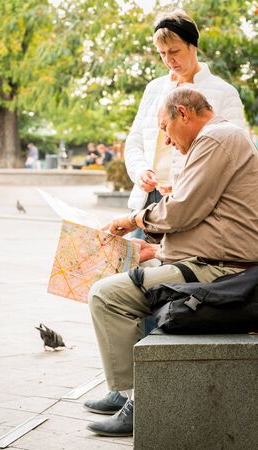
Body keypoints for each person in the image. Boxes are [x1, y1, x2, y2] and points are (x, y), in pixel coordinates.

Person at [84, 88, 258, 437]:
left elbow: (181, 211)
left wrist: (134, 219)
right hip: (212, 259)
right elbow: (200, 213)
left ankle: (136, 401)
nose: (165, 138)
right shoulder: (219, 138)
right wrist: (157, 249)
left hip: (220, 269)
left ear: (183, 114)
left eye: (165, 128)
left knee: (106, 295)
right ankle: (129, 393)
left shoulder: (216, 139)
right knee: (127, 276)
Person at [125, 9, 245, 216]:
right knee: (134, 249)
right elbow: (135, 141)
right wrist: (140, 172)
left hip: (193, 202)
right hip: (147, 199)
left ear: (193, 46)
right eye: (162, 53)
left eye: (174, 51)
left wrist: (187, 184)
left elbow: (234, 154)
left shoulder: (224, 93)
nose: (168, 60)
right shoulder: (153, 89)